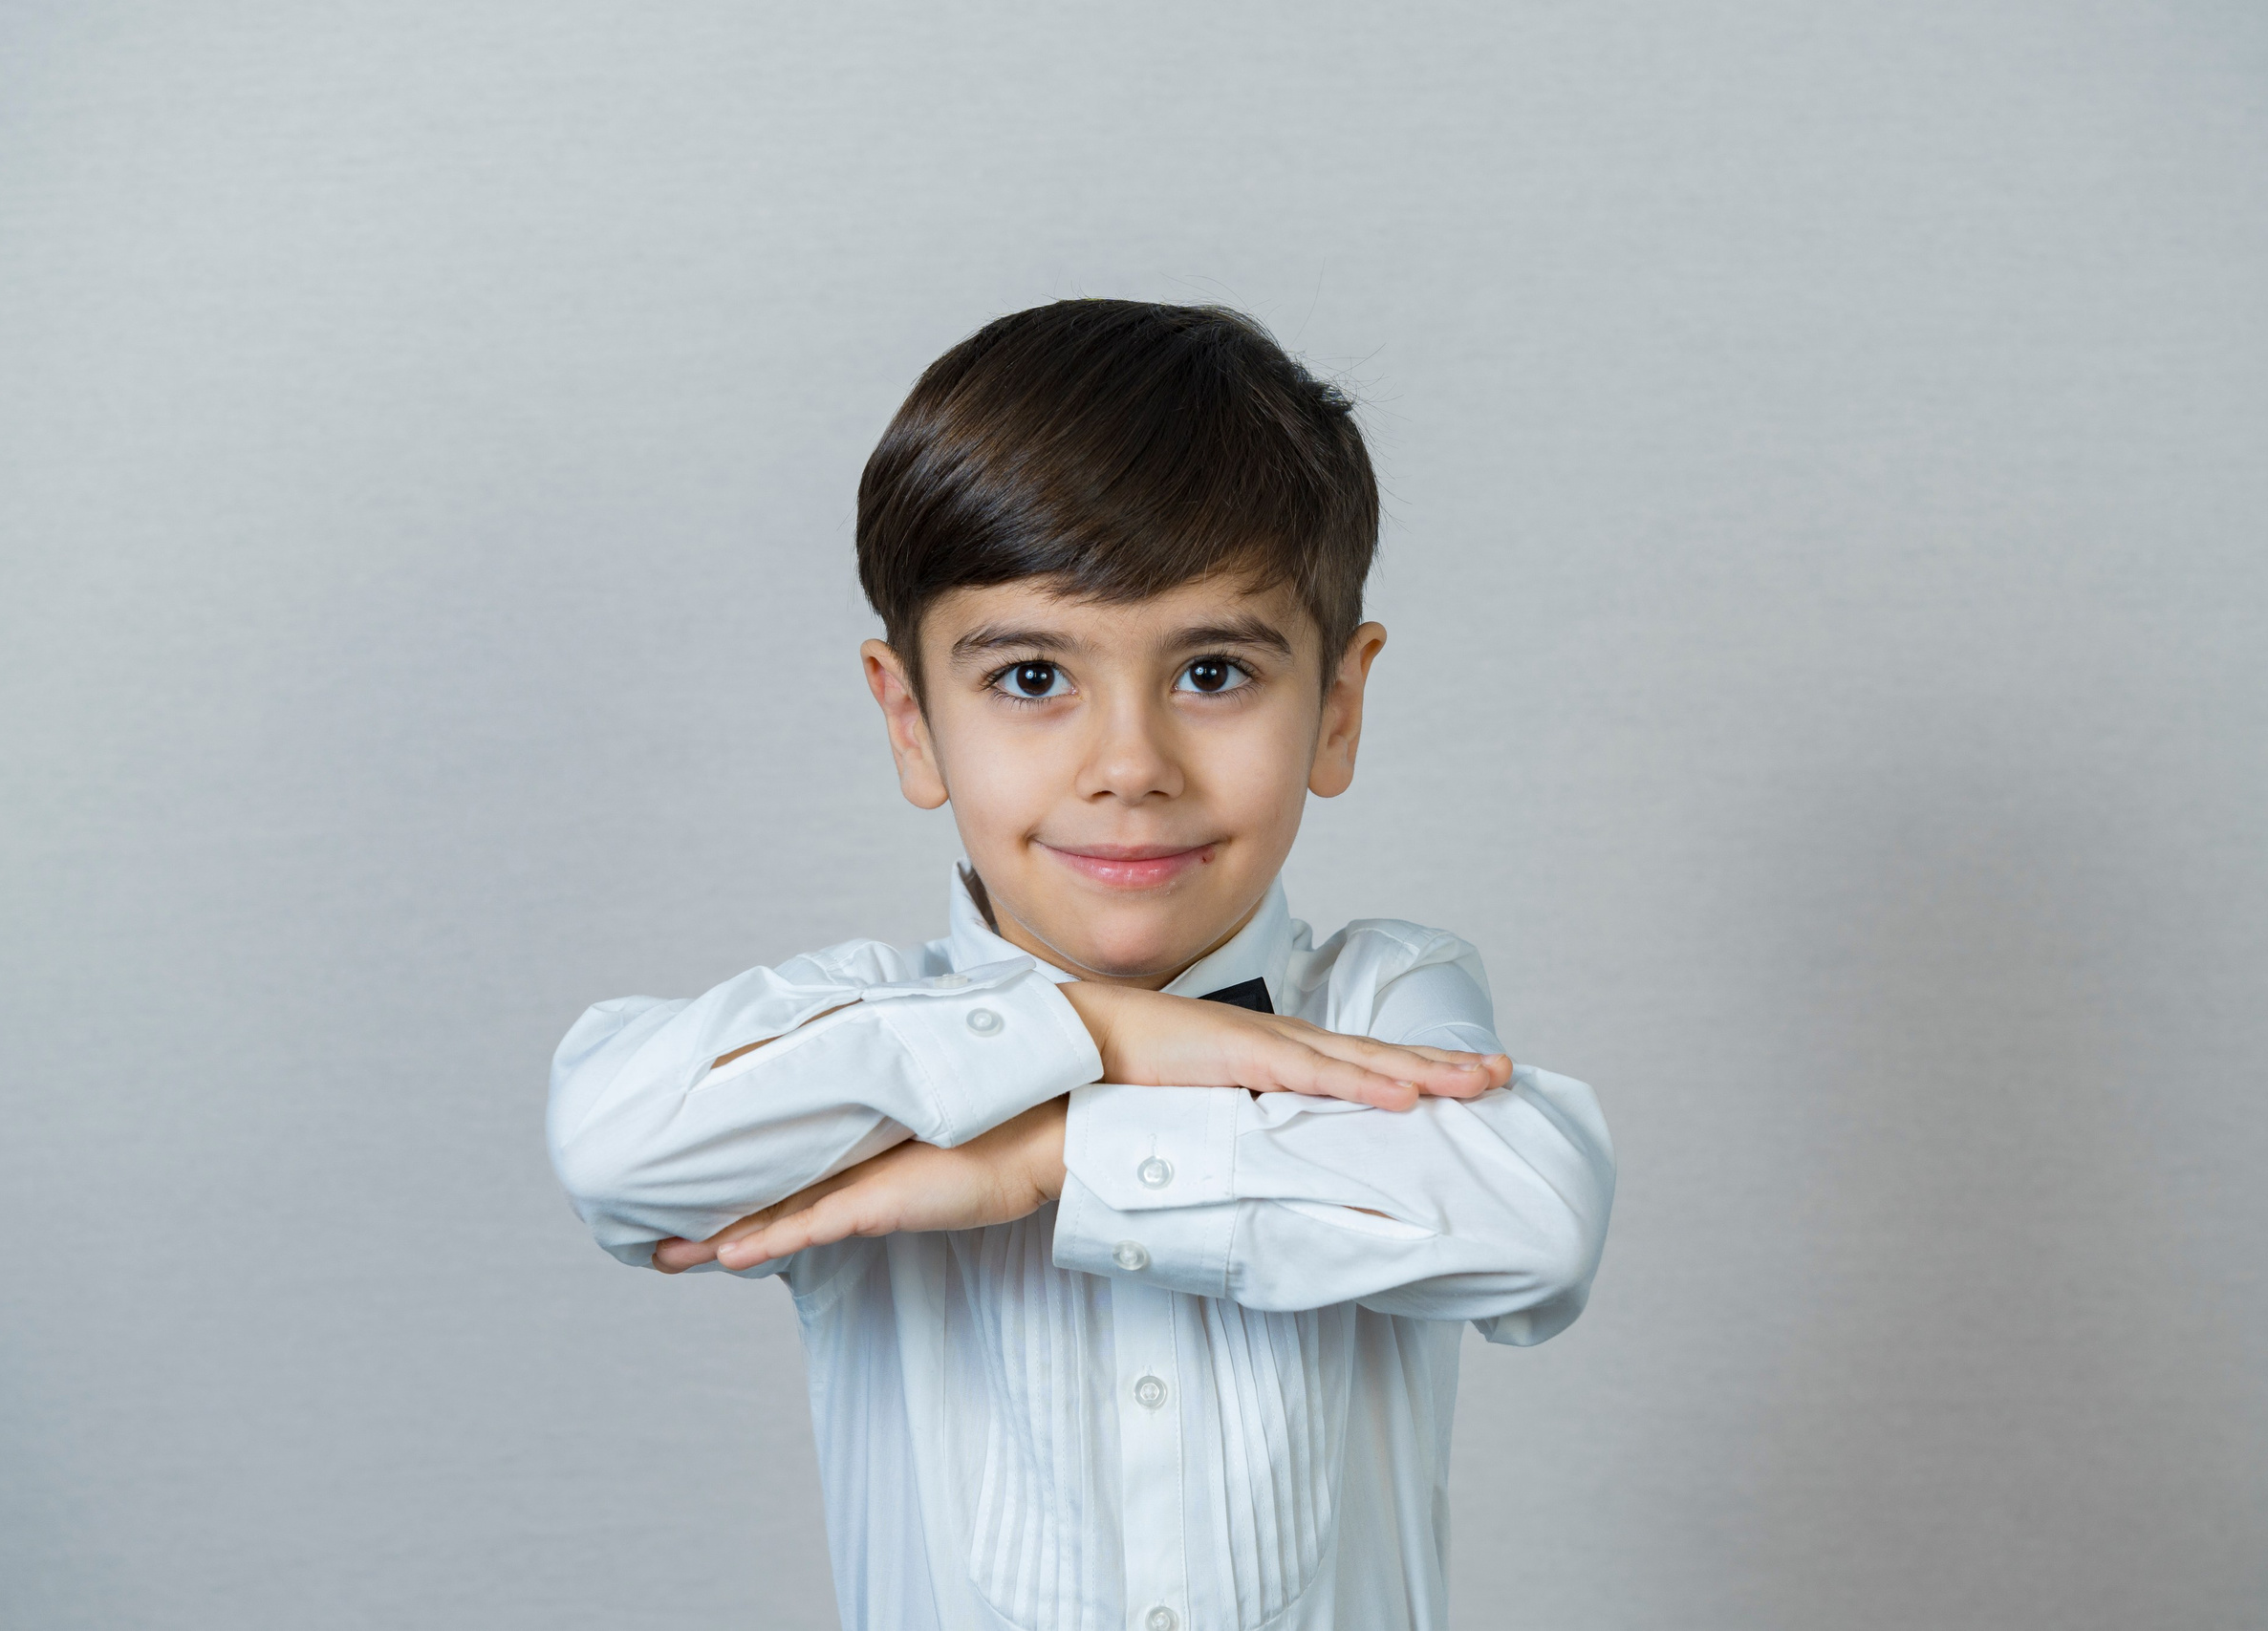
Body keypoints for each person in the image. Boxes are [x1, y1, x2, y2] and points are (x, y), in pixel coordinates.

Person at [547, 299, 1616, 1631]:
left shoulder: (1381, 1002)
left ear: (1336, 710)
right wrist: (1107, 1037)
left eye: (1215, 672)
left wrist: (1058, 1150)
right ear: (912, 721)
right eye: (1035, 679)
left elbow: (1538, 1228)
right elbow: (613, 1145)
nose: (1130, 766)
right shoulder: (872, 1044)